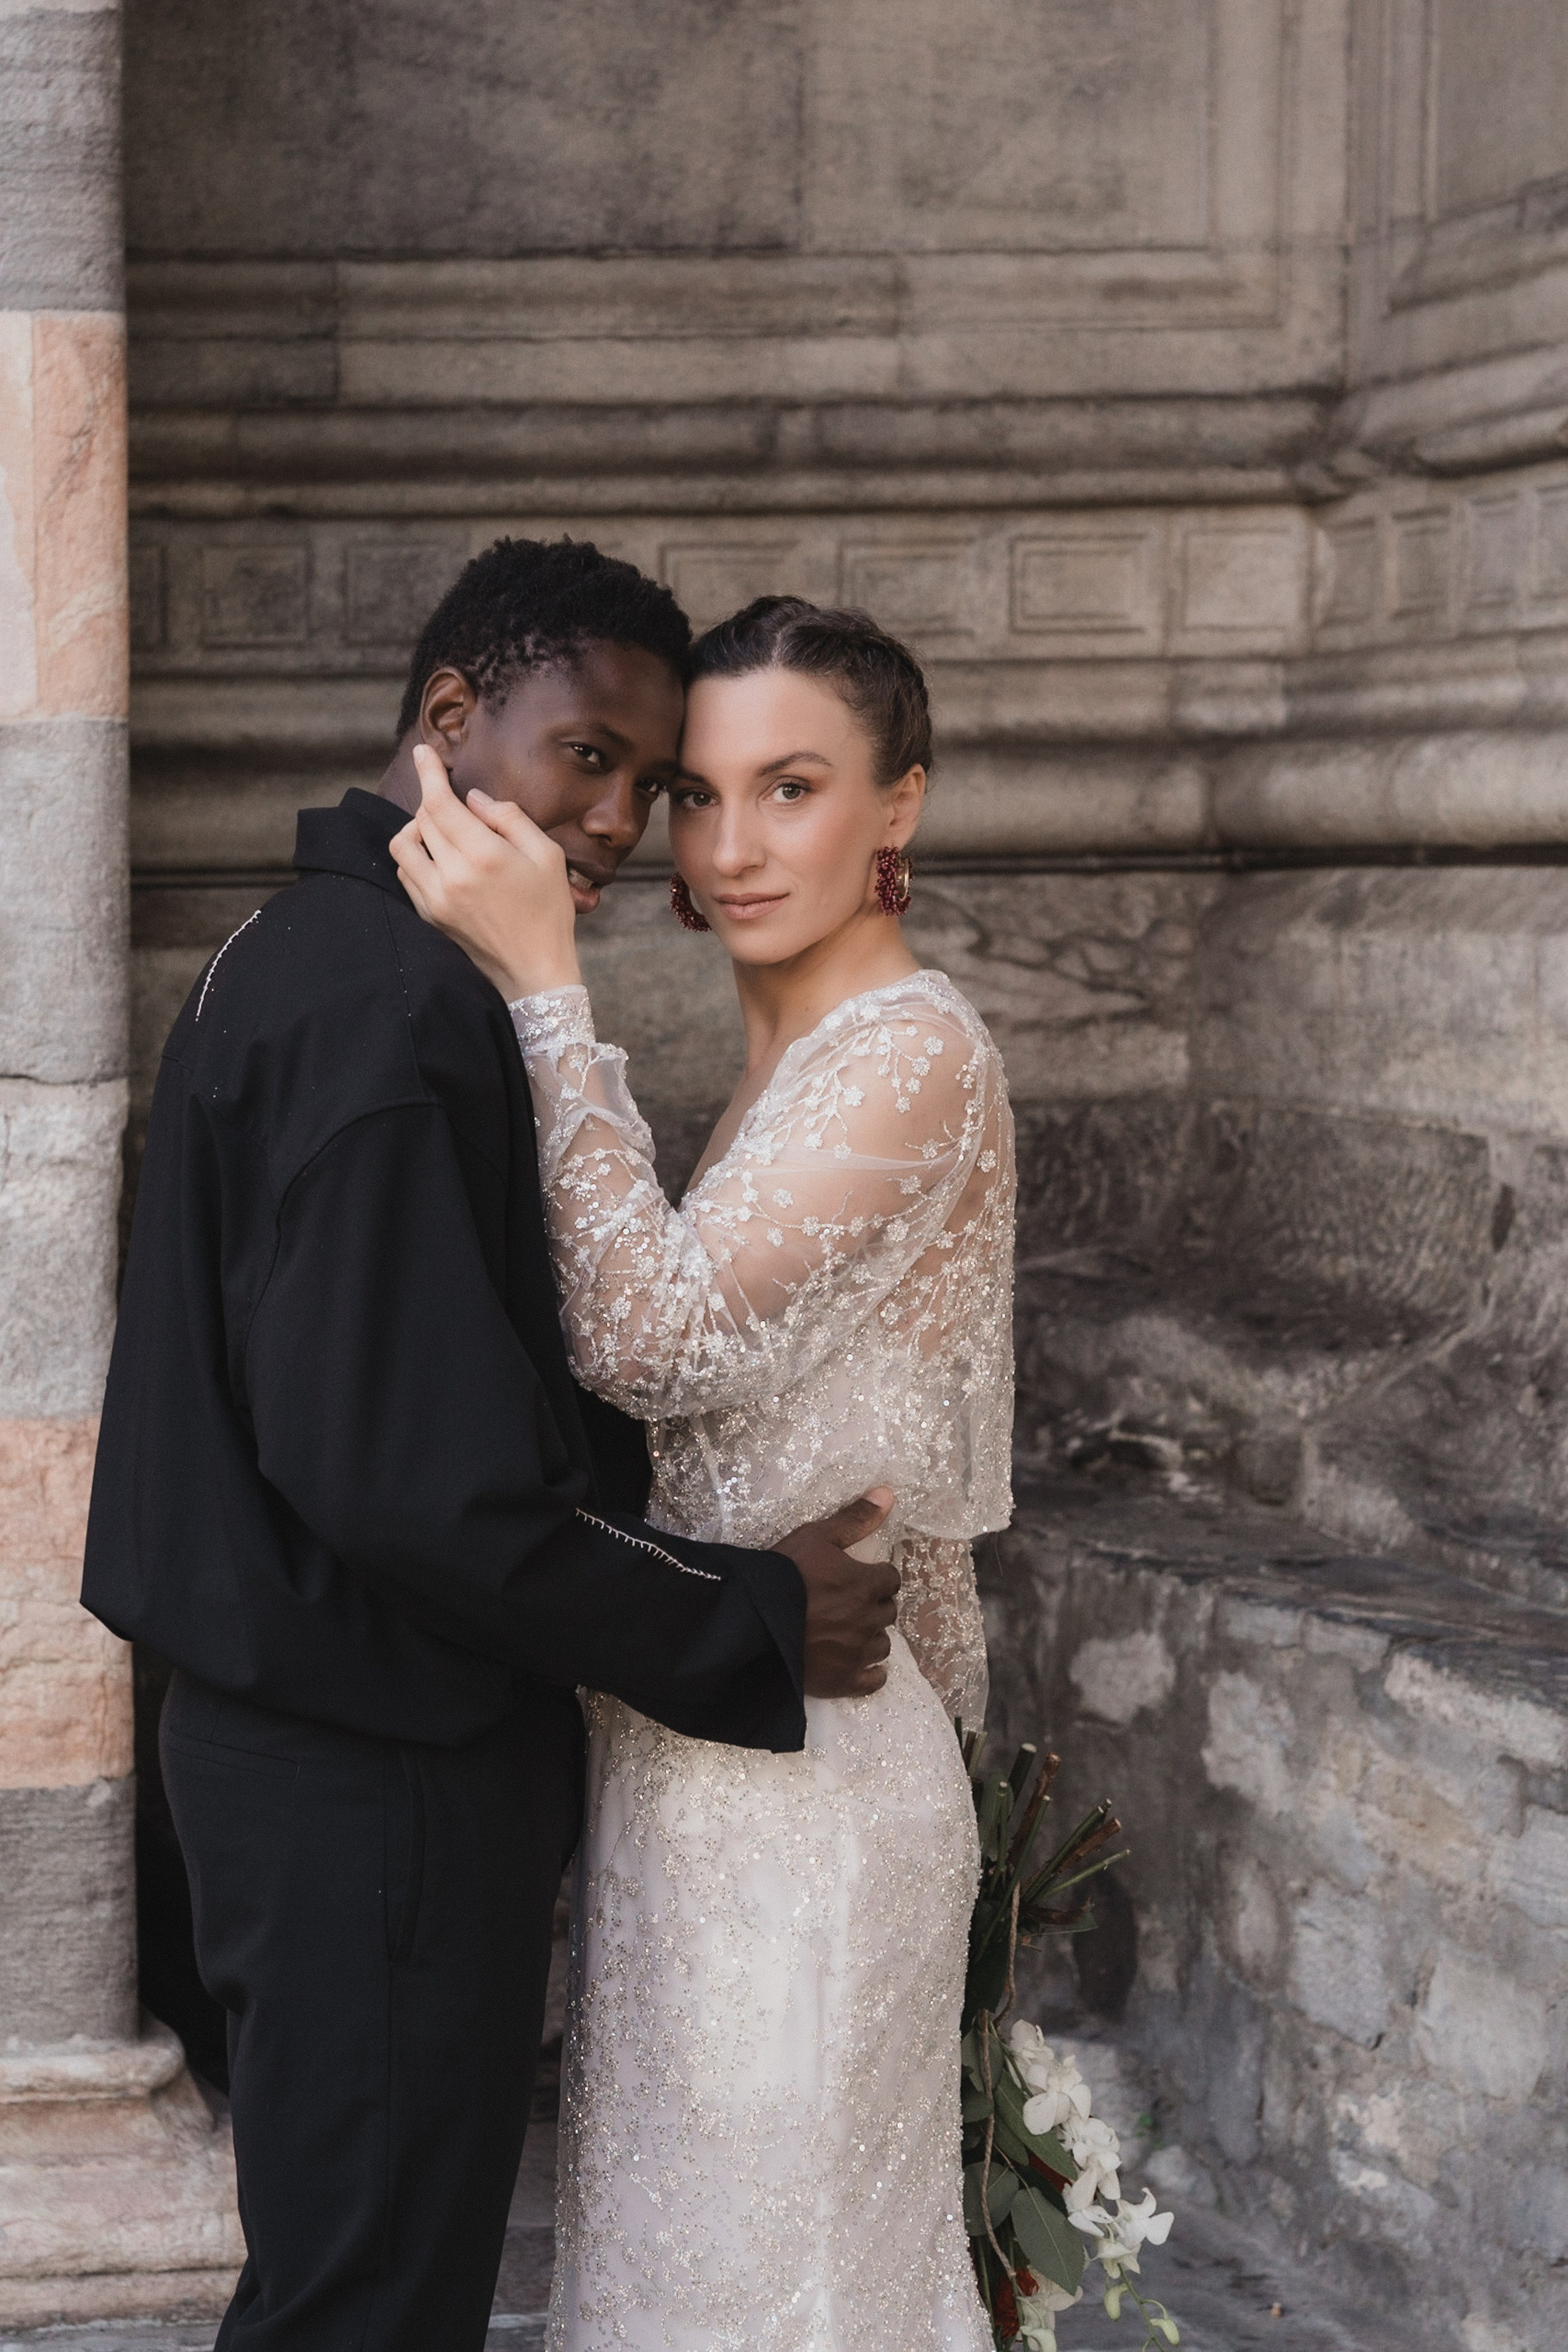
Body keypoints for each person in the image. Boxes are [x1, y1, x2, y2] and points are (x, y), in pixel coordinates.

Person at [80, 543, 900, 2352]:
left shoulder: (315, 953)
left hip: (308, 1753)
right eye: (586, 754)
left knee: (354, 2284)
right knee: (369, 2307)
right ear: (452, 717)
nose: (617, 820)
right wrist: (752, 1613)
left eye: (649, 780)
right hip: (369, 1779)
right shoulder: (387, 1005)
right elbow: (419, 1488)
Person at [393, 594, 1016, 2350]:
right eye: (699, 795)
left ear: (900, 803)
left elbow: (653, 1348)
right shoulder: (780, 1073)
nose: (730, 846)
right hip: (686, 1758)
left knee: (784, 2296)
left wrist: (542, 988)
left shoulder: (915, 1054)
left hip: (813, 1793)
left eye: (792, 789)